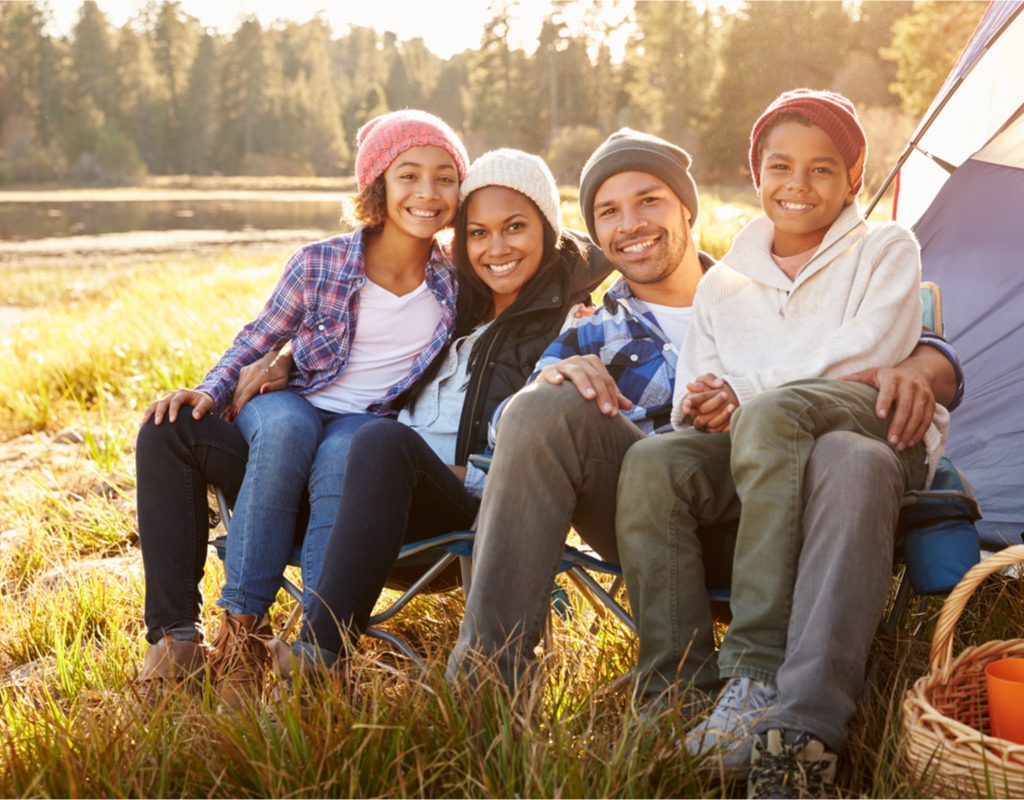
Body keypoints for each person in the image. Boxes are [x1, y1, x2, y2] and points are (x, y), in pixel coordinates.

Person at [446, 127, 961, 719]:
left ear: (686, 208)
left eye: (649, 201)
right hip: (660, 532)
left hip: (805, 515)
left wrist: (930, 360)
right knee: (544, 407)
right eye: (608, 212)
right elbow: (511, 436)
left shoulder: (763, 279)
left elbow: (871, 339)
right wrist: (550, 384)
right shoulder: (589, 329)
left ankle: (795, 717)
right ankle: (489, 684)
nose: (630, 224)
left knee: (845, 451)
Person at [615, 90, 958, 797]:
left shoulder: (884, 247)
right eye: (781, 166)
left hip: (867, 418)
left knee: (782, 420)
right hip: (761, 441)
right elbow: (694, 390)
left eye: (822, 169)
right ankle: (676, 695)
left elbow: (869, 353)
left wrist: (750, 391)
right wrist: (708, 401)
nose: (798, 185)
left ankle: (758, 669)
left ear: (853, 179)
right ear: (757, 173)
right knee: (654, 460)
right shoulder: (727, 280)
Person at [134, 109, 468, 705]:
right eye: (409, 175)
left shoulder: (455, 283)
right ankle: (235, 638)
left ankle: (319, 653)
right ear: (379, 186)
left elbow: (541, 243)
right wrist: (211, 391)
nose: (428, 192)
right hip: (288, 406)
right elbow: (256, 338)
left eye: (445, 177)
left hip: (367, 431)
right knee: (219, 428)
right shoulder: (321, 262)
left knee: (348, 449)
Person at [287, 149, 609, 670]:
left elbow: (547, 459)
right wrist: (280, 361)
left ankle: (319, 656)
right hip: (374, 496)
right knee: (241, 439)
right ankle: (220, 633)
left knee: (379, 441)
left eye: (515, 228)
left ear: (548, 229)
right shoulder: (453, 301)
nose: (495, 248)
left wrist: (442, 470)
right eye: (477, 233)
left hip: (472, 513)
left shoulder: (575, 322)